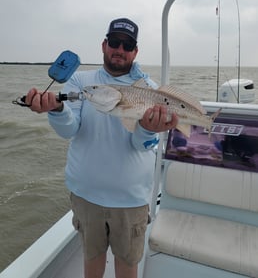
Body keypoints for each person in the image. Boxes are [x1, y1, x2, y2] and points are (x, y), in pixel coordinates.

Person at [25, 18, 178, 278]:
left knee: (127, 266)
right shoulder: (80, 81)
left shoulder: (151, 91)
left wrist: (148, 129)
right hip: (86, 196)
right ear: (104, 45)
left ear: (135, 52)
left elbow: (142, 145)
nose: (120, 49)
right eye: (115, 42)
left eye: (127, 45)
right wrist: (58, 109)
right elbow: (69, 130)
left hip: (131, 200)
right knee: (91, 261)